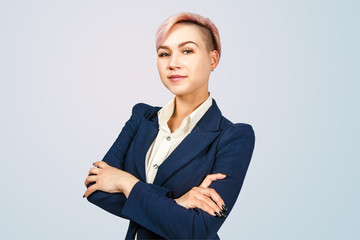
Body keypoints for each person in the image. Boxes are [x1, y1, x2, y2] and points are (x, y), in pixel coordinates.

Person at [83, 12, 255, 239]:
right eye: (164, 54)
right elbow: (96, 190)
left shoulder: (233, 137)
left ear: (213, 59)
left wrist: (125, 182)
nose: (173, 63)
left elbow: (197, 229)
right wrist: (177, 203)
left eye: (187, 51)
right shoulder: (141, 117)